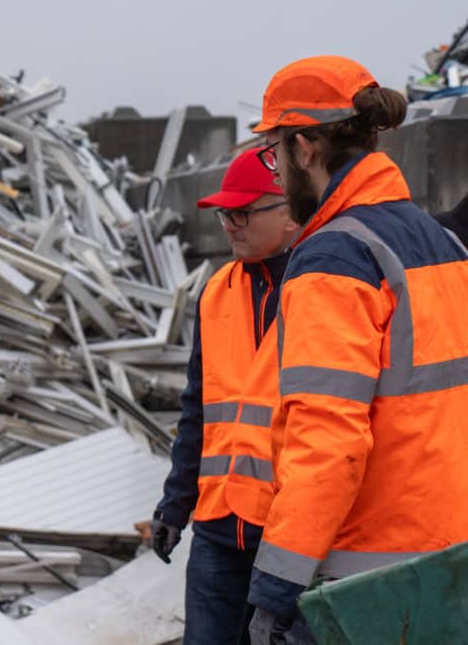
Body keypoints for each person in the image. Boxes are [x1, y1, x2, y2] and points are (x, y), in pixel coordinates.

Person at [245, 55, 468, 643]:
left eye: (274, 152)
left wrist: (276, 586)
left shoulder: (335, 259)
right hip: (450, 560)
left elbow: (327, 441)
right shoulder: (437, 240)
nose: (275, 171)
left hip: (367, 582)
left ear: (306, 146)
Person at [150, 148, 300, 645]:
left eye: (242, 213)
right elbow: (197, 410)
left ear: (290, 209)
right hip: (218, 527)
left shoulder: (327, 287)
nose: (229, 226)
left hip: (289, 535)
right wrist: (176, 505)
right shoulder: (216, 292)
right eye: (224, 214)